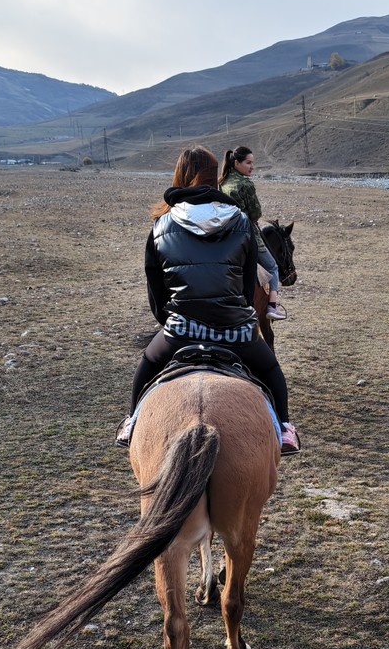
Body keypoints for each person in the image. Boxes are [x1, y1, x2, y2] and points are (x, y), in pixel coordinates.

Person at [117, 147, 300, 454]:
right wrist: (235, 315)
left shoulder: (161, 224)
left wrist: (173, 322)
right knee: (270, 371)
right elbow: (245, 288)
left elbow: (156, 292)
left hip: (181, 331)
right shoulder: (241, 220)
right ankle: (283, 428)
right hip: (235, 331)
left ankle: (132, 421)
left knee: (148, 362)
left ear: (182, 176)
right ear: (214, 176)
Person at [219, 145, 287, 320]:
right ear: (236, 163)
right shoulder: (245, 184)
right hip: (248, 234)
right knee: (272, 266)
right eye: (248, 163)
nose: (252, 167)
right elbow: (256, 213)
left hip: (226, 235)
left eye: (252, 163)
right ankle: (272, 306)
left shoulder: (222, 182)